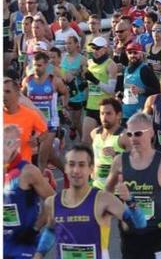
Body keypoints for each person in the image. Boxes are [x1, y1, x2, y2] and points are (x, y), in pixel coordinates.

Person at [32, 143, 148, 259]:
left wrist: (129, 200)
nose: (76, 170)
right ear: (66, 168)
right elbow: (51, 230)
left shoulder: (104, 199)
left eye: (82, 165)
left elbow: (140, 224)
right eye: (72, 164)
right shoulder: (52, 202)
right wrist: (39, 254)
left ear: (91, 168)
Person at [105, 112, 161, 259]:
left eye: (138, 134)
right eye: (130, 134)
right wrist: (116, 205)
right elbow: (107, 191)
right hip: (129, 233)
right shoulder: (120, 161)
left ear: (151, 133)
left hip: (155, 233)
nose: (133, 139)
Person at [3, 124, 55, 259]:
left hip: (23, 245)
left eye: (7, 143)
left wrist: (35, 229)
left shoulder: (28, 171)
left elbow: (54, 202)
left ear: (16, 144)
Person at [21, 51, 69, 170]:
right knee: (51, 155)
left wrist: (64, 106)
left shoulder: (54, 81)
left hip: (50, 124)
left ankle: (39, 186)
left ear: (46, 65)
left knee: (42, 158)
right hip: (33, 125)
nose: (36, 68)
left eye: (39, 65)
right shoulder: (28, 81)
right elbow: (21, 98)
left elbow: (65, 93)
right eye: (34, 65)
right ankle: (67, 172)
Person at [3, 78, 51, 167]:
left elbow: (45, 131)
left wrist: (37, 140)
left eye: (7, 92)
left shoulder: (29, 114)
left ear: (17, 94)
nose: (3, 95)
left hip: (23, 167)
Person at [83, 36, 119, 147]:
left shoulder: (111, 65)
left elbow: (111, 89)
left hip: (105, 109)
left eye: (98, 48)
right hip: (91, 106)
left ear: (105, 49)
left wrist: (94, 80)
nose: (95, 51)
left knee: (105, 143)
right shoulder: (89, 63)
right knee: (86, 141)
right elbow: (88, 86)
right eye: (93, 48)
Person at [90, 98, 129, 191]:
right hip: (97, 187)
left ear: (118, 115)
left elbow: (136, 163)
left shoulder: (124, 137)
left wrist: (116, 155)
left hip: (117, 191)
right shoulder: (94, 133)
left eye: (108, 113)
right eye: (102, 113)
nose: (104, 117)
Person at [121, 42, 161, 123]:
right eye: (129, 53)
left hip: (140, 116)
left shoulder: (145, 69)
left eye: (135, 52)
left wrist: (142, 90)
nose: (132, 55)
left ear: (141, 54)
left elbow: (157, 90)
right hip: (125, 115)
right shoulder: (126, 70)